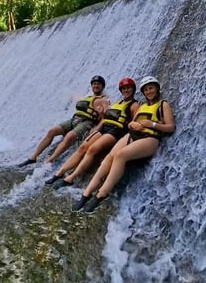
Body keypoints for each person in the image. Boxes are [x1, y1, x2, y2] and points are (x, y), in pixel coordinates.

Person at [72, 76, 176, 214]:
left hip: (150, 138)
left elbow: (171, 127)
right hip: (133, 134)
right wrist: (132, 124)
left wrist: (153, 124)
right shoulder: (142, 105)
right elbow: (131, 122)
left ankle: (101, 194)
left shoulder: (163, 105)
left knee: (120, 156)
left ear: (157, 89)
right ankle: (86, 194)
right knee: (110, 157)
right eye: (146, 89)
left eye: (151, 88)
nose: (149, 91)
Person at [45, 78, 140, 187]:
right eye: (124, 89)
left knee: (92, 150)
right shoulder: (118, 102)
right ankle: (59, 173)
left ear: (133, 89)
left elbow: (133, 123)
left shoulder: (134, 105)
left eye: (128, 88)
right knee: (82, 147)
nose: (126, 90)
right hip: (104, 127)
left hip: (116, 131)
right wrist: (100, 115)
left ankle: (71, 178)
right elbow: (105, 117)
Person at [18, 75, 109, 167]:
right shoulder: (88, 97)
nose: (96, 86)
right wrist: (68, 94)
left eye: (98, 84)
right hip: (74, 119)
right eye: (94, 84)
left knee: (69, 136)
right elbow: (78, 99)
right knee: (51, 131)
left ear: (102, 86)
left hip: (87, 123)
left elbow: (106, 116)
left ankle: (49, 160)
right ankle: (33, 157)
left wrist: (96, 129)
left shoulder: (104, 100)